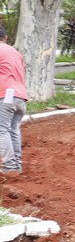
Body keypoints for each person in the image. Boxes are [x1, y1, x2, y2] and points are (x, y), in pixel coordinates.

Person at [0, 30, 28, 177]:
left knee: (2, 130)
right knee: (13, 129)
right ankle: (16, 164)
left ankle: (9, 166)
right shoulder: (15, 52)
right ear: (5, 37)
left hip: (5, 94)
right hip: (20, 95)